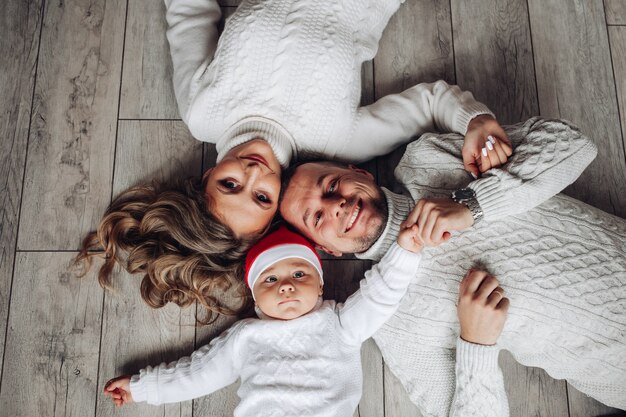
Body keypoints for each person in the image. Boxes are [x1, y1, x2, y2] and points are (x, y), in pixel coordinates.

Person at [76, 0, 511, 323]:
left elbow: (189, 13)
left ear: (206, 176)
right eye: (262, 196)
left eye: (229, 184)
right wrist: (475, 120)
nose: (252, 171)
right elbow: (428, 104)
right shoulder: (338, 145)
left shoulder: (202, 113)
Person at [279, 117, 626, 415]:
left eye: (331, 185)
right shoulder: (390, 321)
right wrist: (477, 342)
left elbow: (574, 143)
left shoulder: (428, 159)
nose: (336, 205)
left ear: (358, 172)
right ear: (325, 249)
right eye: (318, 217)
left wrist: (474, 203)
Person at [102, 226, 511, 416]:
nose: (285, 286)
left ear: (320, 286)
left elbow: (379, 295)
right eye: (271, 279)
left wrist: (405, 251)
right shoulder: (245, 336)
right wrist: (145, 387)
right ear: (254, 295)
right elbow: (198, 374)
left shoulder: (339, 321)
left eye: (299, 274)